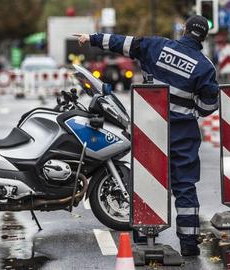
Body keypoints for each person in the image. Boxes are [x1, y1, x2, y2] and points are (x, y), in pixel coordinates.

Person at [75, 15, 219, 256]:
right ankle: (189, 244)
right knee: (184, 185)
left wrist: (92, 38)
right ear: (204, 37)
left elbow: (123, 43)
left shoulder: (157, 46)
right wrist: (191, 107)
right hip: (183, 132)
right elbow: (208, 105)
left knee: (146, 179)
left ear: (183, 30)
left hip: (150, 127)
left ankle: (143, 236)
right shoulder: (205, 67)